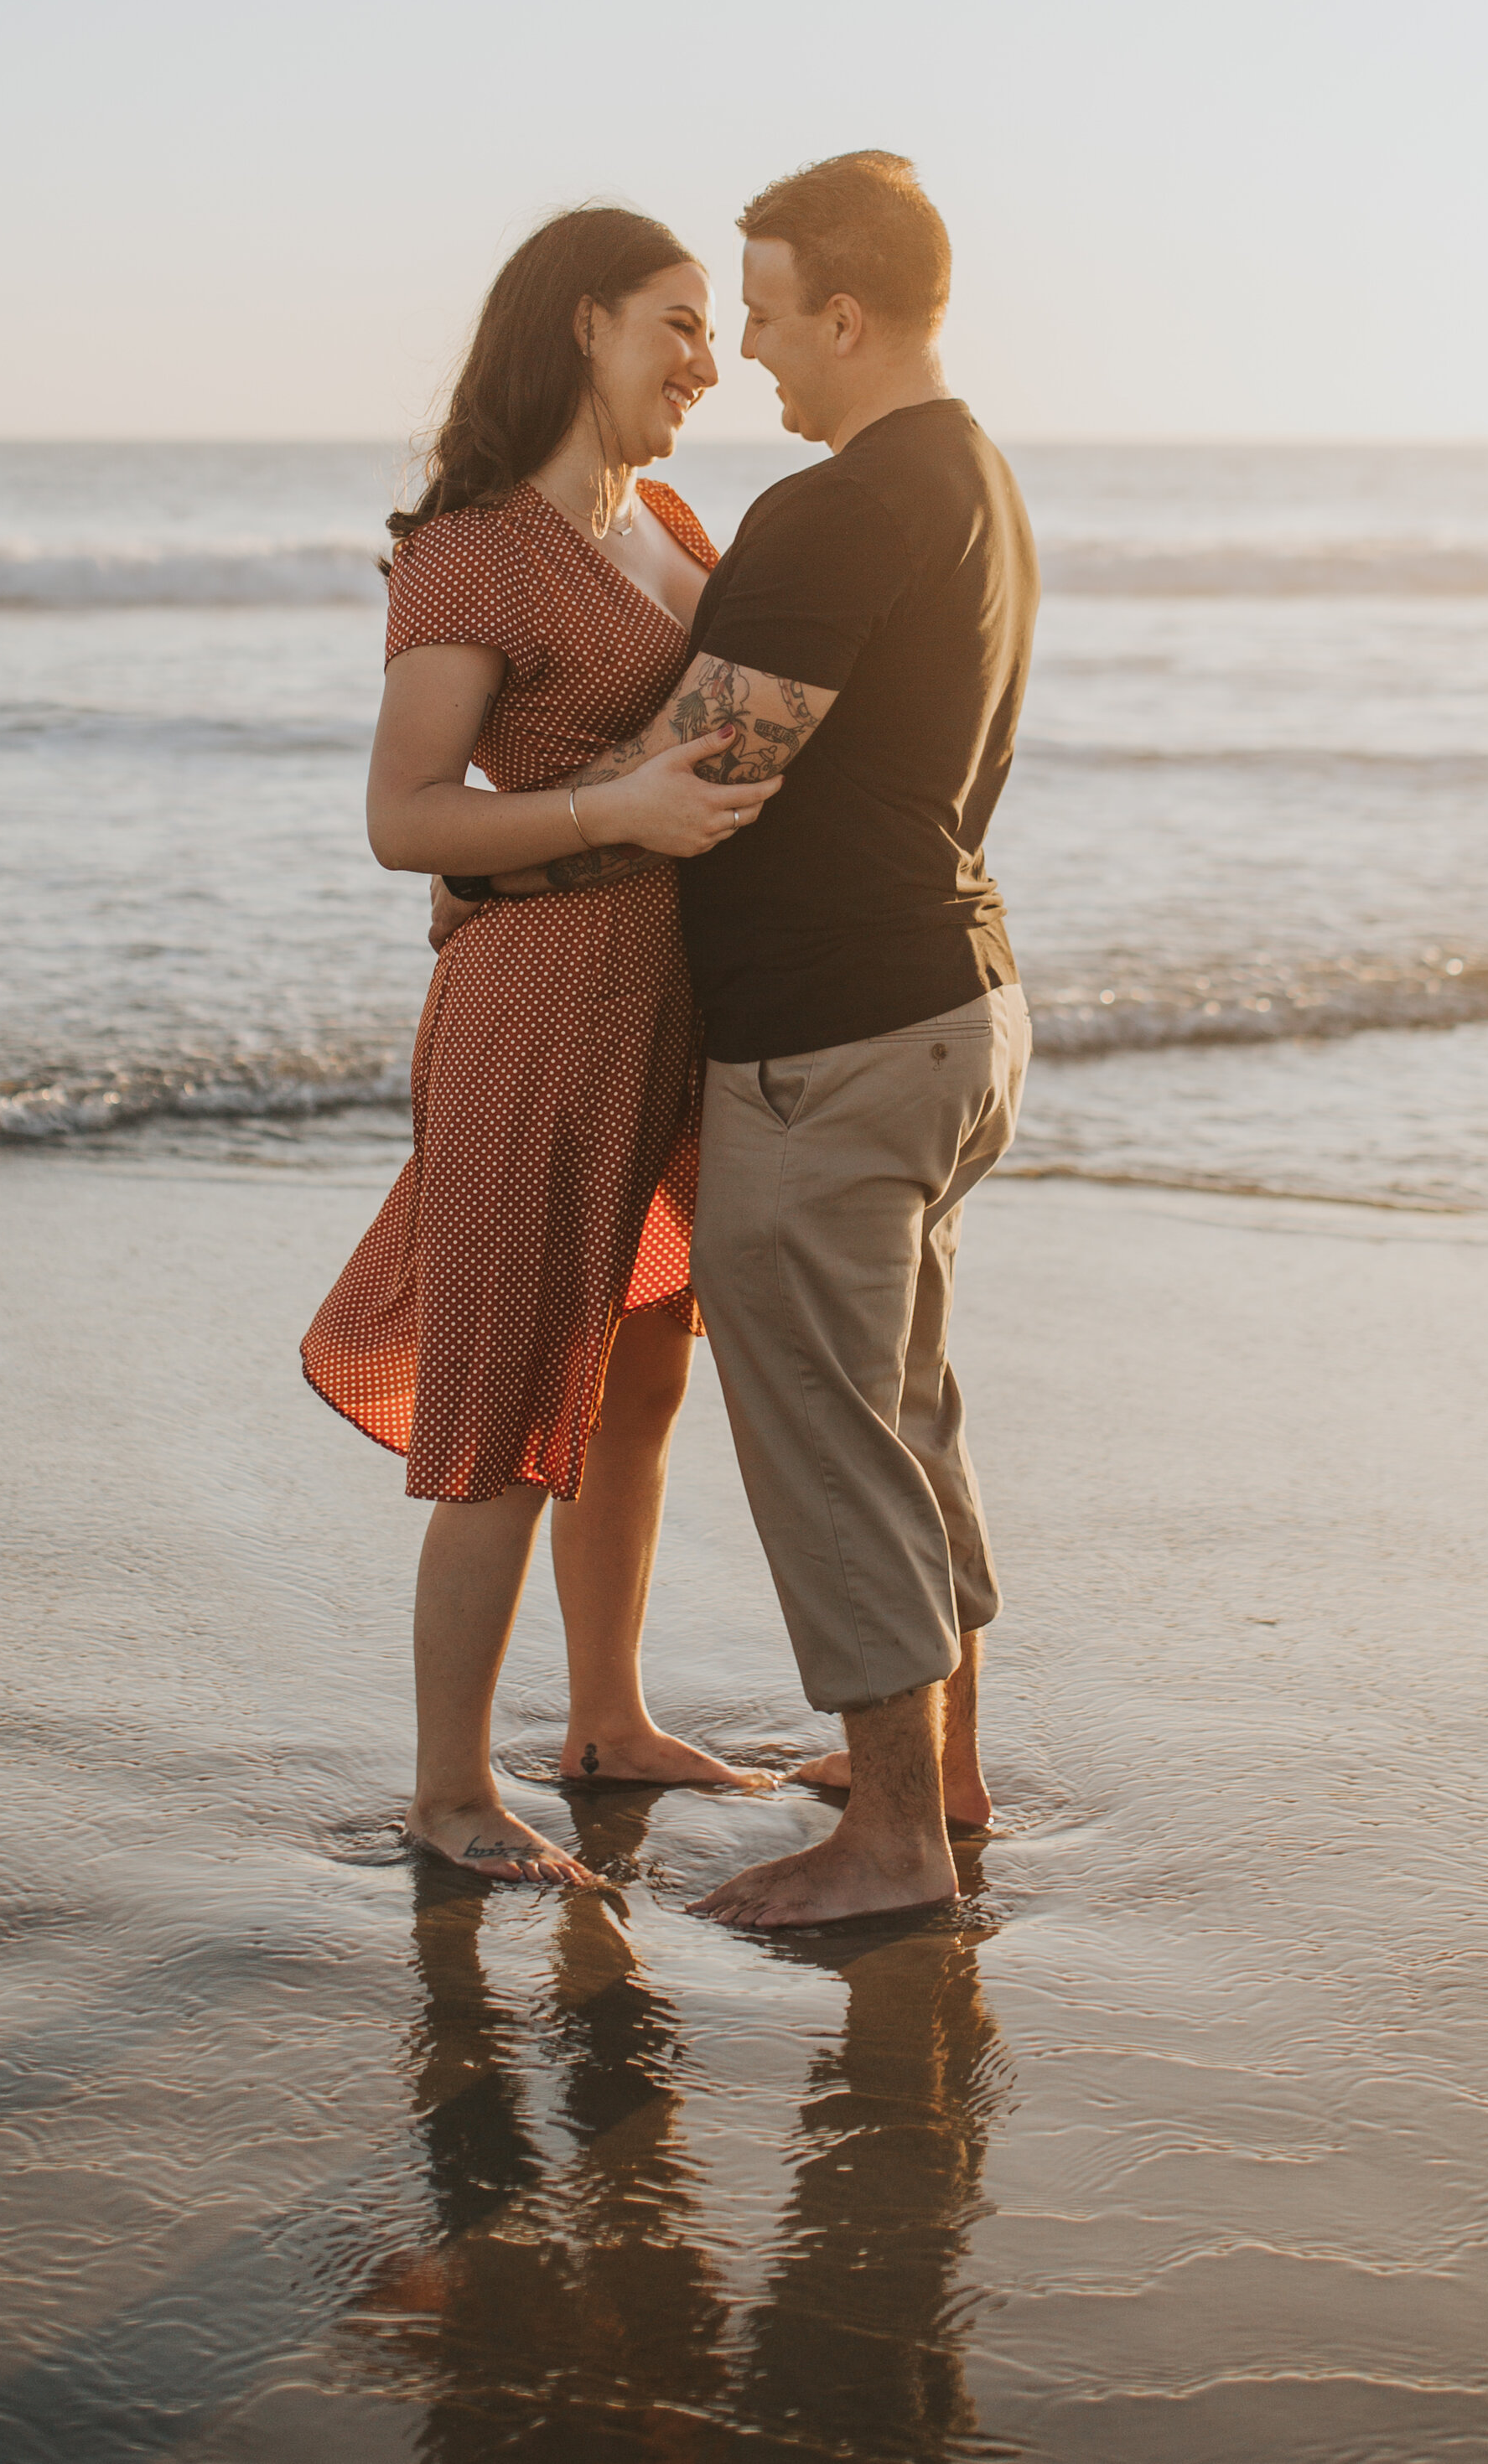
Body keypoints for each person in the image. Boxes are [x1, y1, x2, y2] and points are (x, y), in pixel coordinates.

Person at [458, 151, 1039, 1929]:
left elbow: (702, 781)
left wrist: (489, 863)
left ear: (845, 316)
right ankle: (929, 1768)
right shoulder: (975, 481)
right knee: (902, 1402)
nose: (753, 358)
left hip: (832, 1036)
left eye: (771, 315)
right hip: (952, 1008)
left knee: (820, 1425)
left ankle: (885, 1848)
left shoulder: (833, 511)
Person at [298, 207, 781, 1887]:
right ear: (582, 325)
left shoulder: (663, 517)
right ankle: (447, 1791)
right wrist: (618, 808)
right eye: (676, 323)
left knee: (643, 1370)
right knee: (509, 1391)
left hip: (677, 1009)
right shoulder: (473, 552)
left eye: (714, 332)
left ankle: (604, 1720)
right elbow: (400, 815)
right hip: (540, 1010)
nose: (705, 365)